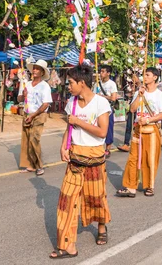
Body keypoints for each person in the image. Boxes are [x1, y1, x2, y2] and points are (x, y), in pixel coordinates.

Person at [50, 64, 111, 260]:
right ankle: (68, 246)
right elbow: (69, 127)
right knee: (66, 201)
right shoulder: (72, 102)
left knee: (96, 198)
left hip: (95, 159)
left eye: (71, 83)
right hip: (75, 159)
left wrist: (79, 122)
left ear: (82, 83)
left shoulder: (101, 103)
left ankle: (101, 225)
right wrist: (63, 146)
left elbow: (102, 132)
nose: (68, 86)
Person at [116, 67, 162, 197]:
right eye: (144, 75)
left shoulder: (159, 94)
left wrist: (149, 120)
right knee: (133, 158)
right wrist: (139, 95)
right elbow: (132, 109)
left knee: (150, 159)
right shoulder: (139, 92)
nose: (144, 77)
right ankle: (130, 186)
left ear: (155, 77)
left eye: (148, 75)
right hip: (138, 129)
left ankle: (149, 185)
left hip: (151, 129)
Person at [18, 59, 53, 176]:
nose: (35, 70)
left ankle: (39, 165)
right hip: (27, 113)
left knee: (34, 139)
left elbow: (46, 104)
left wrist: (33, 115)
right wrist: (24, 95)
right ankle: (31, 164)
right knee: (27, 140)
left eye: (38, 68)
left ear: (42, 72)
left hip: (38, 115)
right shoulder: (26, 84)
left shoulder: (45, 86)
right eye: (34, 68)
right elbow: (19, 99)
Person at [94, 65, 118, 156]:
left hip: (108, 109)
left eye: (103, 71)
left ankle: (108, 148)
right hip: (97, 109)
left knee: (108, 128)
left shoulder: (112, 84)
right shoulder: (97, 83)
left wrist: (102, 96)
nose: (101, 73)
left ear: (108, 73)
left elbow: (114, 98)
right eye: (100, 71)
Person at [117, 76, 134, 152]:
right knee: (128, 127)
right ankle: (126, 144)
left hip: (140, 110)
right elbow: (127, 95)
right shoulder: (128, 86)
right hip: (131, 108)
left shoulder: (142, 86)